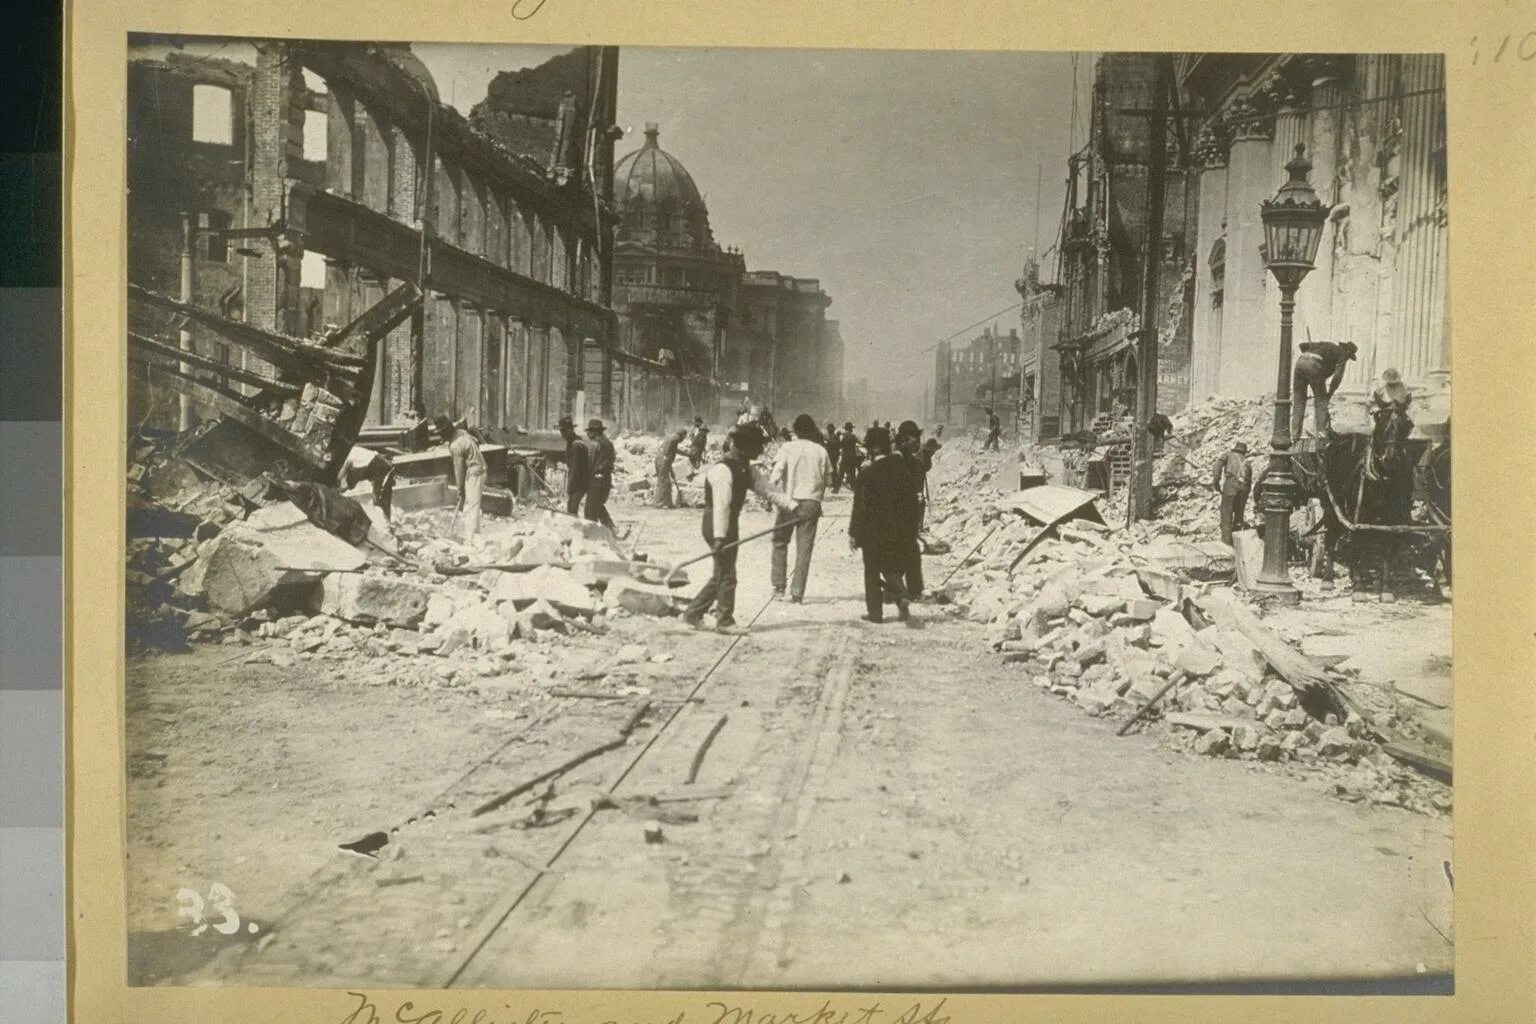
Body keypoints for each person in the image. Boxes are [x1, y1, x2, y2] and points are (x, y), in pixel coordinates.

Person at [684, 427, 794, 634]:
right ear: (746, 445)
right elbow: (721, 505)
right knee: (727, 574)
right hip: (716, 522)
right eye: (758, 445)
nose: (762, 449)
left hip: (728, 523)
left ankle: (693, 613)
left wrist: (792, 506)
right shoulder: (723, 470)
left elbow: (768, 490)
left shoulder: (745, 468)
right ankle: (724, 621)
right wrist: (719, 537)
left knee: (722, 573)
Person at [849, 425, 919, 624]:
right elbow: (912, 505)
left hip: (872, 533)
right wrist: (911, 530)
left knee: (871, 571)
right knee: (891, 568)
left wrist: (854, 533)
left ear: (873, 449)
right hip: (898, 531)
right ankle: (901, 596)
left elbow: (859, 507)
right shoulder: (902, 471)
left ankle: (875, 614)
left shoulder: (866, 474)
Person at [769, 413, 833, 603]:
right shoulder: (821, 451)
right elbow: (829, 481)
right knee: (804, 549)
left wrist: (771, 495)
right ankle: (797, 593)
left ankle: (779, 587)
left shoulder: (787, 448)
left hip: (789, 501)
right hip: (811, 503)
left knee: (780, 541)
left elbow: (776, 473)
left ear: (795, 430)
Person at [1291, 340, 1359, 439]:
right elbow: (1337, 377)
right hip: (1314, 365)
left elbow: (1302, 345)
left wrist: (1309, 355)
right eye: (1349, 357)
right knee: (1321, 402)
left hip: (1300, 362)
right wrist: (1330, 393)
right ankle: (1322, 436)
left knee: (1299, 401)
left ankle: (1295, 436)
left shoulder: (1327, 345)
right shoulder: (1342, 354)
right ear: (1348, 352)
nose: (1347, 359)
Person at [436, 415, 486, 541]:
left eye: (441, 433)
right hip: (479, 467)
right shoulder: (461, 432)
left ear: (446, 432)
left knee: (470, 506)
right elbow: (476, 442)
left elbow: (459, 470)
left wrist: (459, 490)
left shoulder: (455, 445)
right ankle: (476, 535)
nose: (441, 437)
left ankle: (471, 539)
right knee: (474, 504)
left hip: (475, 471)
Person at [895, 420, 929, 599]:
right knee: (905, 550)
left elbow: (923, 470)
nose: (917, 442)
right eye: (914, 439)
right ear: (903, 441)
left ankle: (912, 590)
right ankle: (899, 588)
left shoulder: (914, 460)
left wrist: (928, 455)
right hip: (896, 512)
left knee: (910, 551)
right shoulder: (895, 460)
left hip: (909, 512)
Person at [338, 444, 397, 522]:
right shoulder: (350, 454)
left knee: (380, 502)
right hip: (379, 468)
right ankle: (385, 524)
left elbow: (353, 477)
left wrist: (344, 487)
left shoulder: (349, 458)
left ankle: (385, 527)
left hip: (383, 470)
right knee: (379, 501)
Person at [1211, 440, 1254, 546]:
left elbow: (1217, 466)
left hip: (1230, 485)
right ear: (1244, 452)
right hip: (1243, 488)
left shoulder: (1228, 455)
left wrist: (1216, 483)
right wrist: (1245, 495)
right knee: (1239, 517)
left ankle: (1226, 545)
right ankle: (1238, 545)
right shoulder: (1247, 462)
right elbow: (1250, 482)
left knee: (1226, 515)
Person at [583, 418, 617, 531]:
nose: (588, 434)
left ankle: (593, 533)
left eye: (589, 431)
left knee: (590, 510)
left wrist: (593, 473)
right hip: (603, 480)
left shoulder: (600, 444)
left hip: (598, 481)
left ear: (594, 432)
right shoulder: (606, 443)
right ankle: (611, 528)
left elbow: (601, 463)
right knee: (597, 506)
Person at [557, 416, 590, 516]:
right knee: (570, 507)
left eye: (564, 431)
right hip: (577, 480)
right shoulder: (570, 442)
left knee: (571, 509)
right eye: (561, 431)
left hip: (579, 482)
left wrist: (570, 488)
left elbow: (575, 469)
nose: (562, 434)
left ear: (571, 430)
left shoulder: (576, 446)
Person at [654, 427, 688, 509]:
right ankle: (659, 503)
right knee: (663, 482)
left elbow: (675, 450)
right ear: (682, 435)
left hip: (661, 460)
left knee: (666, 482)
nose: (683, 439)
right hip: (663, 461)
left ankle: (668, 503)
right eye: (684, 437)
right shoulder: (675, 439)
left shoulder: (672, 439)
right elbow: (667, 453)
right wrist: (668, 465)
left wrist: (688, 454)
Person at [836, 420, 862, 492]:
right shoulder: (853, 436)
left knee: (841, 472)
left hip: (845, 456)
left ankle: (836, 488)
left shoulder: (842, 436)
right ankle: (853, 487)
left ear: (845, 428)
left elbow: (840, 445)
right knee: (852, 472)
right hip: (852, 456)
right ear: (850, 429)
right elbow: (859, 443)